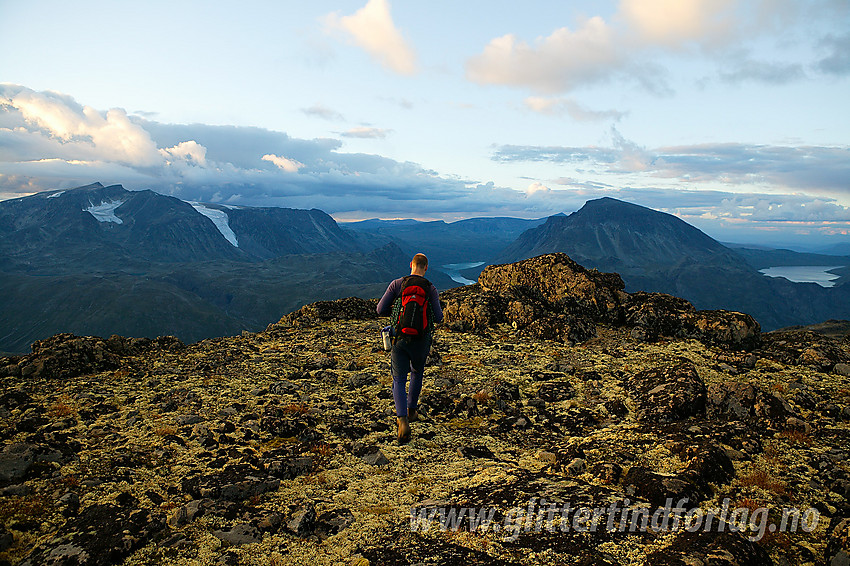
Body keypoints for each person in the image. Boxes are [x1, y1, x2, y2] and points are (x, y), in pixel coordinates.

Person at [376, 253, 443, 444]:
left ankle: (402, 421)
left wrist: (398, 312)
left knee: (398, 379)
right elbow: (438, 317)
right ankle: (412, 410)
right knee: (417, 373)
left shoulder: (397, 284)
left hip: (399, 337)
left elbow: (380, 309)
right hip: (421, 340)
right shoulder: (430, 288)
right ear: (426, 268)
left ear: (411, 265)